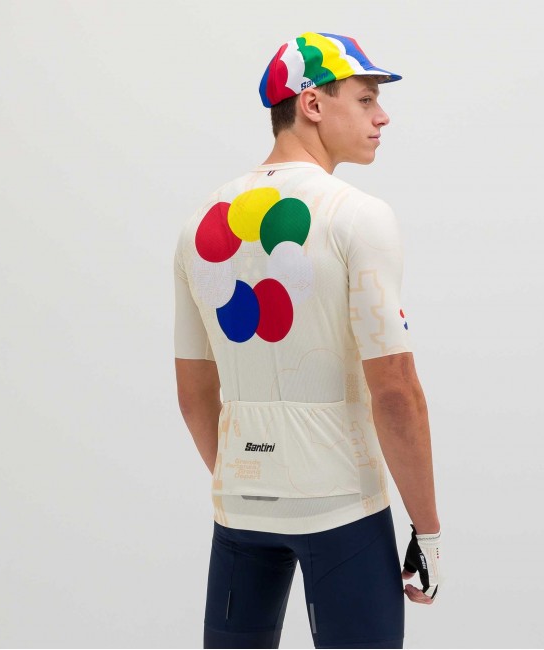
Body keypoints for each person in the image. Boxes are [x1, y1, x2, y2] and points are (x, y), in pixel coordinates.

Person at [174, 31, 442, 649]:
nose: (382, 116)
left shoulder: (198, 224)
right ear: (313, 103)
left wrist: (252, 476)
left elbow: (193, 393)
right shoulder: (358, 216)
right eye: (366, 98)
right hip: (339, 503)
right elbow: (396, 391)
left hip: (240, 502)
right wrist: (426, 531)